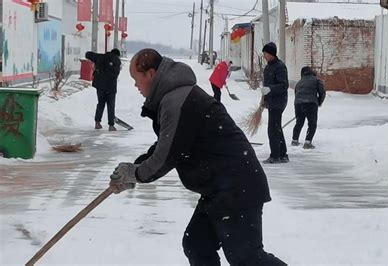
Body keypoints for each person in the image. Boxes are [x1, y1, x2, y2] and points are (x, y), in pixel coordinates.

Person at [109, 48, 286, 266]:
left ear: (151, 74)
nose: (136, 86)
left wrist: (136, 174)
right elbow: (167, 143)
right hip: (220, 186)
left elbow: (168, 155)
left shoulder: (176, 101)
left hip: (236, 186)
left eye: (136, 80)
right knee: (197, 244)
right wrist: (135, 170)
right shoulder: (174, 97)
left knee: (246, 257)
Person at [260, 42, 289, 164]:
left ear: (271, 54)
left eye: (265, 53)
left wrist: (270, 89)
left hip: (278, 101)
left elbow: (284, 85)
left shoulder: (279, 66)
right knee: (276, 128)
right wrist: (263, 100)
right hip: (271, 101)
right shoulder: (269, 67)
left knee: (273, 129)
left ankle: (275, 155)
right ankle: (282, 154)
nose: (264, 56)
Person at [85, 48, 121, 131]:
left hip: (100, 86)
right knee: (111, 106)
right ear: (117, 55)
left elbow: (88, 54)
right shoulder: (117, 61)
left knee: (100, 104)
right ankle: (111, 125)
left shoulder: (100, 57)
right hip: (111, 87)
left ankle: (97, 123)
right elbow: (116, 74)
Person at [291, 66, 326, 149]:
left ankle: (294, 140)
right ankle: (307, 142)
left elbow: (296, 93)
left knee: (299, 122)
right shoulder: (316, 80)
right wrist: (319, 102)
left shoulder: (299, 82)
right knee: (312, 123)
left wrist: (299, 104)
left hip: (298, 104)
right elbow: (322, 92)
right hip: (310, 103)